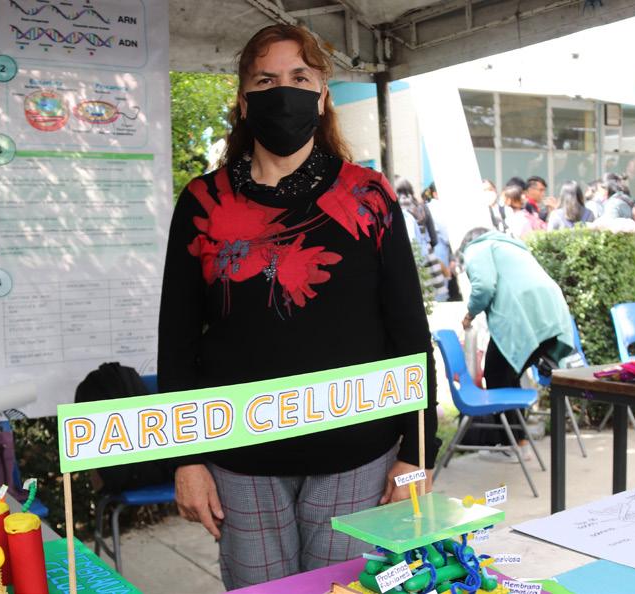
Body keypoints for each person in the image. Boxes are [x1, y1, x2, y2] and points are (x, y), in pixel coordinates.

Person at [157, 24, 440, 590]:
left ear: (323, 95)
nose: (283, 91)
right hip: (239, 459)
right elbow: (178, 338)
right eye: (266, 80)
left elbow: (409, 330)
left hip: (358, 454)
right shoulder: (203, 202)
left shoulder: (369, 196)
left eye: (300, 77)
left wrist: (418, 451)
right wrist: (184, 459)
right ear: (243, 100)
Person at [456, 228, 575, 449]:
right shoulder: (510, 245)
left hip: (519, 316)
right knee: (509, 377)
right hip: (551, 314)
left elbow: (484, 286)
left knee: (496, 375)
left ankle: (512, 444)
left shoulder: (476, 248)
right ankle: (517, 440)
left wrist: (470, 314)